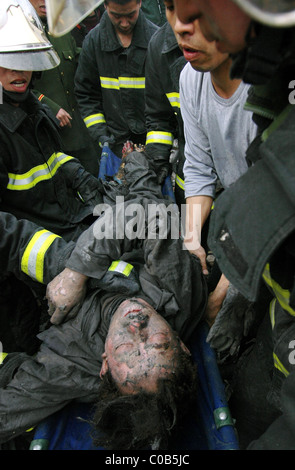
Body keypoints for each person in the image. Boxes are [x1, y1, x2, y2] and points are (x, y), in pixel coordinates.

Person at [0, 151, 207, 450]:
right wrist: (77, 271)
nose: (138, 328)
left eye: (127, 349)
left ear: (104, 365)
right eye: (158, 344)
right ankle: (133, 157)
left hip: (71, 237)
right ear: (182, 345)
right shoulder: (180, 289)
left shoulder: (71, 366)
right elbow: (149, 211)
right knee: (142, 185)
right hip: (120, 226)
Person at [173, 0, 295, 450]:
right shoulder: (190, 80)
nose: (181, 27)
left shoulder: (271, 89)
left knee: (230, 322)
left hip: (274, 230)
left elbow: (272, 203)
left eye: (200, 11)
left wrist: (231, 280)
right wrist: (192, 243)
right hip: (239, 216)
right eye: (168, 8)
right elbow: (199, 167)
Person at [0, 0, 103, 353]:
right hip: (19, 274)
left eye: (25, 60)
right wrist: (58, 257)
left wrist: (80, 177)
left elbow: (52, 159)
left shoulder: (32, 108)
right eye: (8, 61)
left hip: (63, 227)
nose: (20, 71)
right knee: (29, 349)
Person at [74, 0, 158, 160]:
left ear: (140, 3)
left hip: (152, 142)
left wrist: (161, 146)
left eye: (130, 15)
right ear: (105, 6)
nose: (125, 23)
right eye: (117, 15)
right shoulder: (94, 41)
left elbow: (166, 102)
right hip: (113, 144)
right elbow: (86, 94)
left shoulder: (155, 40)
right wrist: (101, 135)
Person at [28, 0, 99, 176]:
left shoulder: (62, 30)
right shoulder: (22, 35)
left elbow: (81, 63)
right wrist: (50, 107)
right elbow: (16, 87)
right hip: (50, 136)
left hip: (80, 131)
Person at [144, 16, 187, 206]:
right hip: (190, 178)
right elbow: (158, 115)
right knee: (192, 232)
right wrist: (158, 159)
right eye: (170, 7)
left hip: (242, 185)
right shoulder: (158, 46)